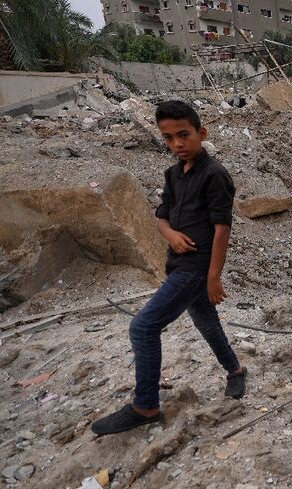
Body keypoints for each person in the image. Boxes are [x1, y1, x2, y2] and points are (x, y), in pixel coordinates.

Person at [91, 100, 247, 435]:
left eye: (183, 135)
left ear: (201, 133)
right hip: (178, 262)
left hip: (196, 267)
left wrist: (213, 277)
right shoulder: (173, 174)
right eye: (168, 137)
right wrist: (171, 235)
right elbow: (161, 215)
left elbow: (222, 229)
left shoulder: (215, 175)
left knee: (143, 327)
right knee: (205, 320)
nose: (177, 143)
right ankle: (235, 371)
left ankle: (145, 406)